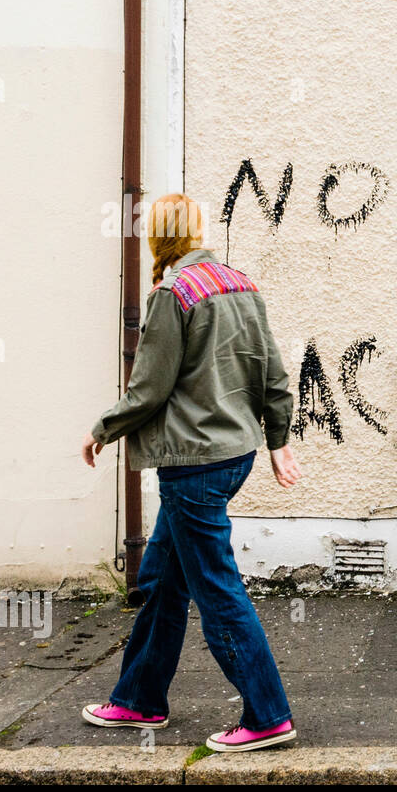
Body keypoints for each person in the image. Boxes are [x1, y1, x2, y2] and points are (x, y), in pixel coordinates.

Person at [80, 193, 302, 752]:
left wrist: (102, 429)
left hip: (193, 464)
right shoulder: (240, 284)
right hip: (234, 456)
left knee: (217, 589)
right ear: (197, 231)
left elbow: (149, 388)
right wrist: (277, 441)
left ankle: (268, 714)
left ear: (159, 237)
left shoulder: (172, 295)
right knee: (161, 578)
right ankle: (139, 699)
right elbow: (274, 372)